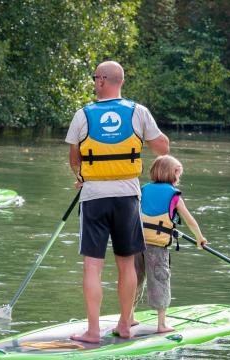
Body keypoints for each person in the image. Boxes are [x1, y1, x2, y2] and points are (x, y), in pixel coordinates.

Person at [65, 61, 170, 343]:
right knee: (126, 264)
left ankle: (93, 331)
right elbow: (163, 147)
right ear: (120, 81)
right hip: (127, 198)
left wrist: (83, 175)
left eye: (95, 78)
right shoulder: (139, 112)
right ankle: (124, 325)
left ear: (101, 81)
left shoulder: (83, 114)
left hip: (94, 198)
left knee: (92, 266)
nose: (94, 82)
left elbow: (74, 160)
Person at [134, 155, 208, 333]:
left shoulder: (143, 189)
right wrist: (199, 237)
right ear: (173, 173)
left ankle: (128, 318)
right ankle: (161, 324)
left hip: (136, 242)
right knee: (160, 280)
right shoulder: (173, 195)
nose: (179, 177)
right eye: (179, 173)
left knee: (135, 279)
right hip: (157, 247)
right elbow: (189, 220)